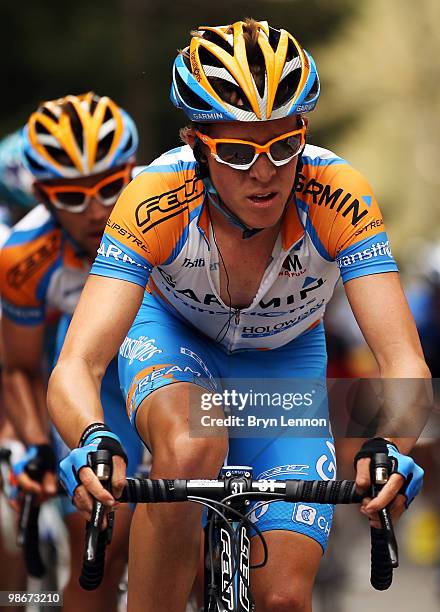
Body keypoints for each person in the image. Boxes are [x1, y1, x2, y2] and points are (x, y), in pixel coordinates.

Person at [48, 20, 429, 612]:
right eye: (236, 152)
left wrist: (392, 446)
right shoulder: (153, 198)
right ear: (197, 146)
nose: (265, 171)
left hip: (282, 372)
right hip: (175, 341)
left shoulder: (339, 195)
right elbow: (78, 361)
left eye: (284, 146)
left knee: (281, 601)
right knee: (193, 445)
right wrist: (91, 439)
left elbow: (403, 357)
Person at [0, 92, 144, 612]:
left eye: (111, 187)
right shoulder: (23, 255)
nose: (99, 209)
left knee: (198, 544)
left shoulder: (176, 205)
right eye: (73, 197)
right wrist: (36, 446)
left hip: (180, 365)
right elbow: (19, 368)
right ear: (41, 193)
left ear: (133, 170)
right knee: (98, 559)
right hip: (96, 384)